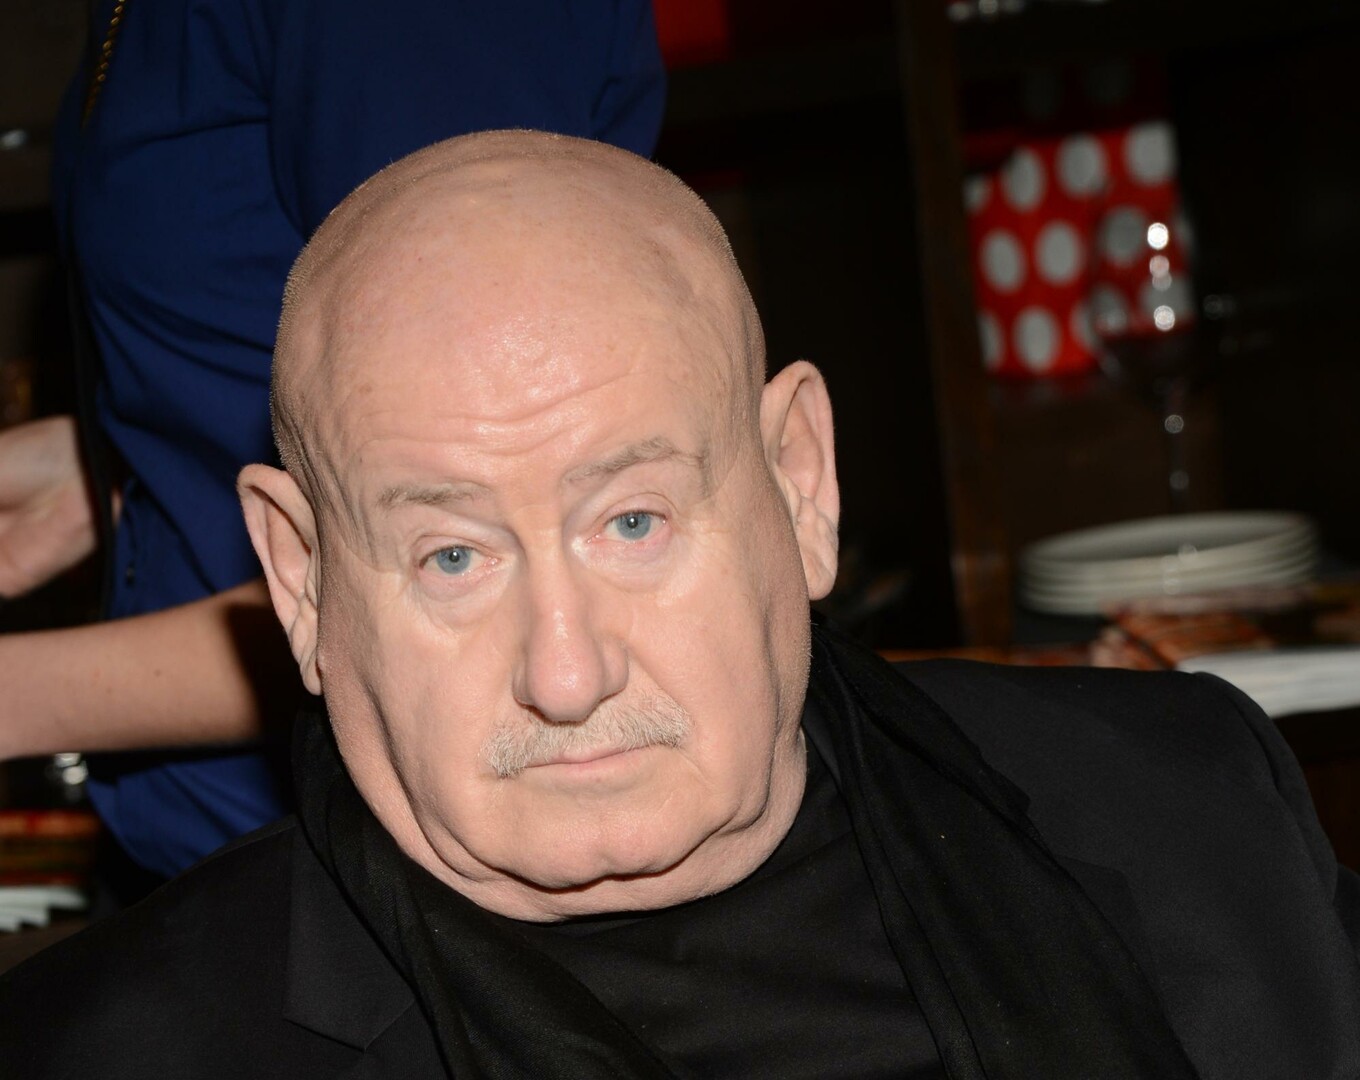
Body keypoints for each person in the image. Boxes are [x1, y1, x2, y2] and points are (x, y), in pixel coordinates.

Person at [3, 131, 1358, 1079]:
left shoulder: (1192, 808)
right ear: (301, 579)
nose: (567, 674)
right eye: (454, 558)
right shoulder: (113, 1052)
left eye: (634, 524)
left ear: (801, 482)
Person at [0, 0, 664, 879]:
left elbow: (475, 578)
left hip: (375, 877)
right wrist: (102, 471)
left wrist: (16, 695)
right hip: (228, 849)